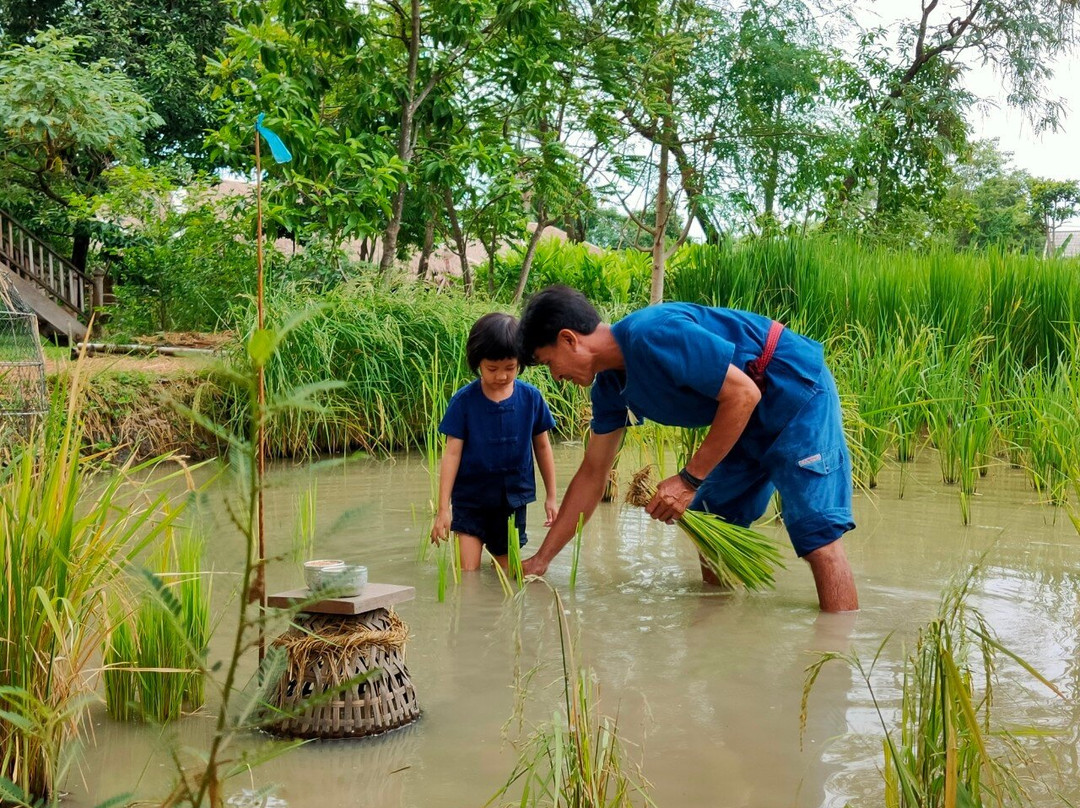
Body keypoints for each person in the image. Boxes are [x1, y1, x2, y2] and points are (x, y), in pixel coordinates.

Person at [517, 285, 858, 612]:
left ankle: (839, 653)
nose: (557, 376)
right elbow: (592, 475)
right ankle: (719, 641)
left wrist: (688, 481)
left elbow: (743, 394)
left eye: (549, 363)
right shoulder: (609, 390)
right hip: (747, 418)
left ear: (568, 339)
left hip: (792, 391)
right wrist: (541, 560)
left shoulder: (652, 333)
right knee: (714, 525)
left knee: (818, 537)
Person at [430, 312, 559, 570]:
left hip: (512, 502)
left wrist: (552, 496)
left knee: (510, 574)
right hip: (471, 502)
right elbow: (452, 454)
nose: (501, 376)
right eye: (492, 369)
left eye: (509, 368)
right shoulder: (463, 402)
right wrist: (443, 509)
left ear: (520, 362)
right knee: (467, 575)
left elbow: (543, 447)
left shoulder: (531, 398)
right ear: (478, 363)